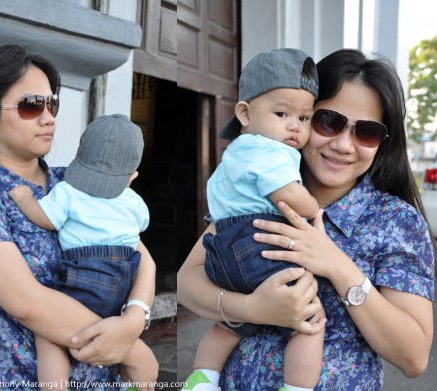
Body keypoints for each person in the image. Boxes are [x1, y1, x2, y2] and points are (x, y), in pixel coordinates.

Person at [177, 48, 435, 390]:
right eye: (329, 121)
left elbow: (413, 357)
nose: (344, 145)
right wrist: (254, 308)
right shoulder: (260, 189)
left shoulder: (396, 222)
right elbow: (186, 283)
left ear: (382, 143)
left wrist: (339, 267)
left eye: (367, 132)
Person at [0, 44, 158, 389]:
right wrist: (136, 353)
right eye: (30, 105)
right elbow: (28, 303)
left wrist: (134, 319)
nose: (49, 116)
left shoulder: (75, 181)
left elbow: (138, 254)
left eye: (51, 103)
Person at [182, 49, 325, 391]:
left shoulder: (237, 151)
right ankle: (297, 387)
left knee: (229, 325)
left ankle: (201, 380)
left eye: (305, 118)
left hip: (222, 249)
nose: (295, 126)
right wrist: (312, 204)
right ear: (245, 113)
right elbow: (289, 197)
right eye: (282, 113)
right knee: (310, 321)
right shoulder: (271, 151)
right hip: (258, 246)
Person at [9, 113, 154, 390]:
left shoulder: (68, 189)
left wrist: (24, 198)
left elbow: (45, 218)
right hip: (124, 279)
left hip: (87, 275)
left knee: (48, 336)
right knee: (115, 334)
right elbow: (139, 235)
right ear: (132, 176)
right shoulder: (135, 202)